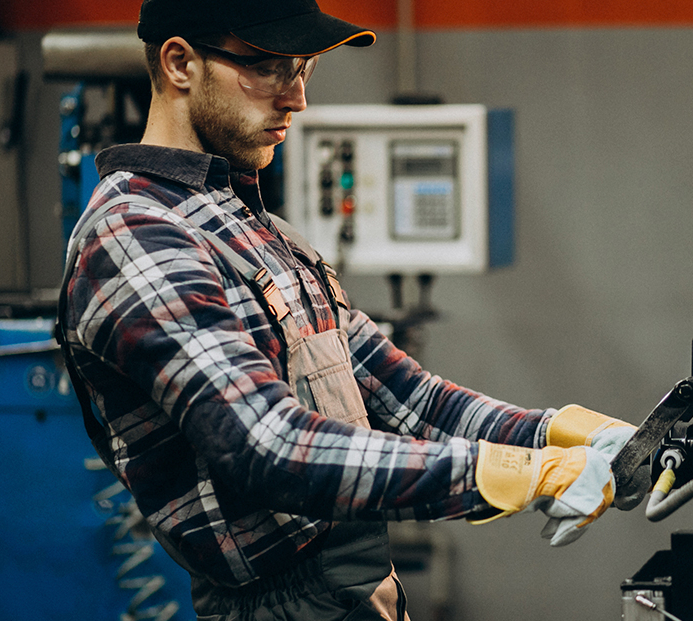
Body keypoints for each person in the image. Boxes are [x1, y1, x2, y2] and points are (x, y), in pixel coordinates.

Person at [55, 1, 644, 619]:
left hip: (354, 586)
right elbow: (266, 443)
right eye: (270, 68)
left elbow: (409, 398)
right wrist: (509, 474)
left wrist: (560, 435)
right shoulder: (134, 234)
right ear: (180, 63)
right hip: (278, 604)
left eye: (303, 68)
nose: (297, 99)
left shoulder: (260, 229)